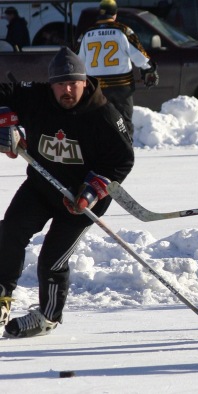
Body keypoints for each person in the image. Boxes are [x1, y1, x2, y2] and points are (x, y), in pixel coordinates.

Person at [0, 46, 134, 338]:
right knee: (9, 231)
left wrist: (92, 190)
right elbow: (5, 93)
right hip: (41, 186)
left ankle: (48, 317)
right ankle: (2, 297)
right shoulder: (36, 97)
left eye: (74, 82)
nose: (67, 89)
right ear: (51, 84)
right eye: (61, 83)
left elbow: (122, 160)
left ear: (85, 81)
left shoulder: (104, 115)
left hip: (81, 200)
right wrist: (6, 121)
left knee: (52, 258)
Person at [76, 0, 159, 139]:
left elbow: (78, 61)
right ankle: (124, 154)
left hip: (96, 88)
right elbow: (139, 55)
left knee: (99, 123)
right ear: (115, 14)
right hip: (121, 87)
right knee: (123, 124)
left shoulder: (86, 34)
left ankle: (100, 155)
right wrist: (149, 69)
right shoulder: (123, 31)